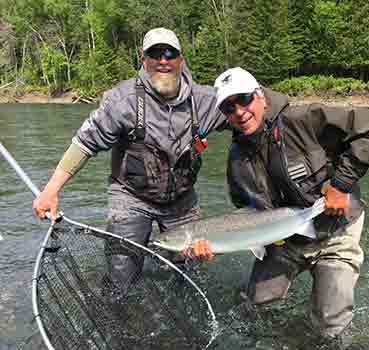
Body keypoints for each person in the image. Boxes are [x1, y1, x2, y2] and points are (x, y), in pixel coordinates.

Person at [207, 67, 369, 350]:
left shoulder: (302, 120)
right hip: (286, 240)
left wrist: (341, 185)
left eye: (244, 99)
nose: (240, 111)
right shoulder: (237, 161)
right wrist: (218, 243)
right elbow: (247, 215)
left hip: (336, 232)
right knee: (252, 308)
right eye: (229, 107)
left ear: (260, 96)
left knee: (331, 328)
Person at [33, 28, 225, 294]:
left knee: (189, 277)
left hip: (182, 201)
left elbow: (251, 112)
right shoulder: (122, 101)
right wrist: (51, 191)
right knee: (120, 278)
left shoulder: (208, 101)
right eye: (154, 54)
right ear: (143, 59)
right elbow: (84, 143)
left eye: (170, 53)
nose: (163, 61)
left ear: (181, 59)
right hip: (132, 197)